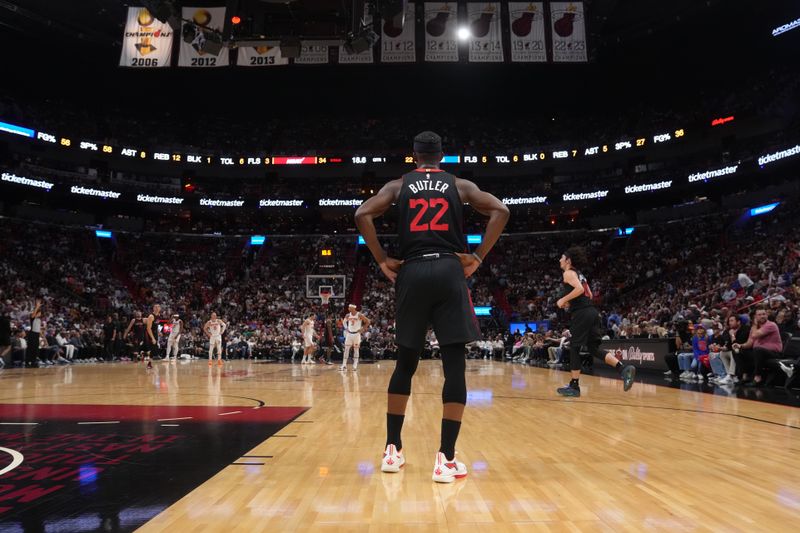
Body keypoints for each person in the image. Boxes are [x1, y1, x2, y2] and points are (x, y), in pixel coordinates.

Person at [355, 130, 509, 483]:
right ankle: (446, 459)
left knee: (405, 362)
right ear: (442, 156)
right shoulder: (460, 185)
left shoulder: (398, 186)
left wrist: (380, 259)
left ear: (414, 156)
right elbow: (501, 210)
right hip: (448, 268)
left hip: (411, 270)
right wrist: (478, 257)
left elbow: (363, 214)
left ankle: (392, 449)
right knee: (454, 365)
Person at [555, 247, 636, 397]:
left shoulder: (568, 273)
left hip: (582, 314)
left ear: (568, 260)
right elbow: (589, 294)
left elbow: (579, 290)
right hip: (592, 313)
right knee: (593, 348)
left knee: (574, 347)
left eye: (562, 257)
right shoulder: (581, 275)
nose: (559, 259)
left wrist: (563, 300)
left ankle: (574, 386)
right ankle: (623, 369)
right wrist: (571, 302)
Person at [733, 307, 784, 387]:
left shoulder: (771, 325)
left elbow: (754, 335)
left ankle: (758, 378)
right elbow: (749, 343)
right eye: (759, 315)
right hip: (758, 353)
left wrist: (755, 325)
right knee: (738, 351)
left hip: (774, 353)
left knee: (758, 350)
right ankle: (745, 376)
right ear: (755, 317)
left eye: (764, 314)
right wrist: (740, 345)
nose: (762, 316)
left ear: (767, 315)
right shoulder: (755, 328)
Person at [341, 304, 370, 371]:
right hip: (349, 334)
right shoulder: (347, 315)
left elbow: (368, 321)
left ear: (353, 308)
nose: (348, 308)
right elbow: (344, 322)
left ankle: (355, 365)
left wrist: (362, 328)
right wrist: (346, 328)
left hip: (356, 334)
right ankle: (344, 365)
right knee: (346, 349)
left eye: (349, 307)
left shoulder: (359, 315)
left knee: (356, 350)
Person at [26, 300, 43, 368]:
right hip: (32, 334)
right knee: (30, 348)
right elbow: (33, 315)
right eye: (39, 313)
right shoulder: (33, 318)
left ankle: (33, 362)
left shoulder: (39, 319)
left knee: (35, 349)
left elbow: (39, 328)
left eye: (40, 313)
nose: (40, 314)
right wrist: (37, 307)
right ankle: (27, 362)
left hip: (36, 334)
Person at [144, 304, 161, 369]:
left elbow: (156, 326)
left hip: (155, 333)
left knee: (154, 348)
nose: (157, 308)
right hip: (150, 333)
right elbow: (148, 328)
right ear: (153, 308)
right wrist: (152, 338)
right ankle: (148, 364)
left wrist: (159, 332)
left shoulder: (159, 315)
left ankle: (148, 361)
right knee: (151, 348)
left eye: (158, 307)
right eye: (155, 307)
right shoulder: (151, 316)